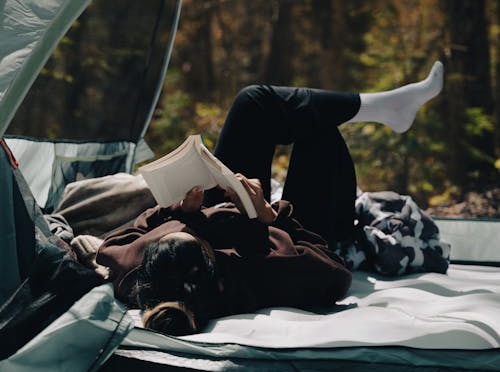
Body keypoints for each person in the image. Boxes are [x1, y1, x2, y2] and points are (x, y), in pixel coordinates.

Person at [96, 61, 444, 336]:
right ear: (218, 270)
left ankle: (384, 108)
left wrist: (180, 212)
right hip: (290, 227)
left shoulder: (139, 272)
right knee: (319, 132)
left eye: (183, 229)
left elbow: (112, 244)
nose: (196, 226)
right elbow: (335, 275)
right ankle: (391, 109)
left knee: (253, 102)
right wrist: (270, 218)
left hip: (228, 202)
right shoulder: (256, 271)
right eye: (199, 234)